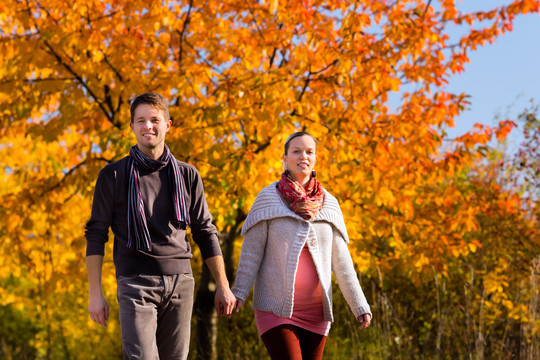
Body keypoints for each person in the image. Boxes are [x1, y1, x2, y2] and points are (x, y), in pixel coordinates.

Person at [85, 92, 235, 360]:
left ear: (167, 124)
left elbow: (205, 231)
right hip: (135, 284)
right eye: (140, 120)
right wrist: (95, 295)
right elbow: (96, 235)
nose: (147, 126)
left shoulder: (187, 175)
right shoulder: (113, 175)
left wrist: (222, 285)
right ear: (132, 126)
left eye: (154, 119)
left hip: (181, 283)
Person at [232, 131, 372, 360]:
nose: (303, 156)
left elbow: (343, 263)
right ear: (285, 158)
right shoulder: (268, 198)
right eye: (296, 151)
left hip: (317, 315)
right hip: (275, 310)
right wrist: (239, 291)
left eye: (309, 152)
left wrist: (360, 305)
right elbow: (251, 253)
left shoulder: (329, 203)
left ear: (315, 158)